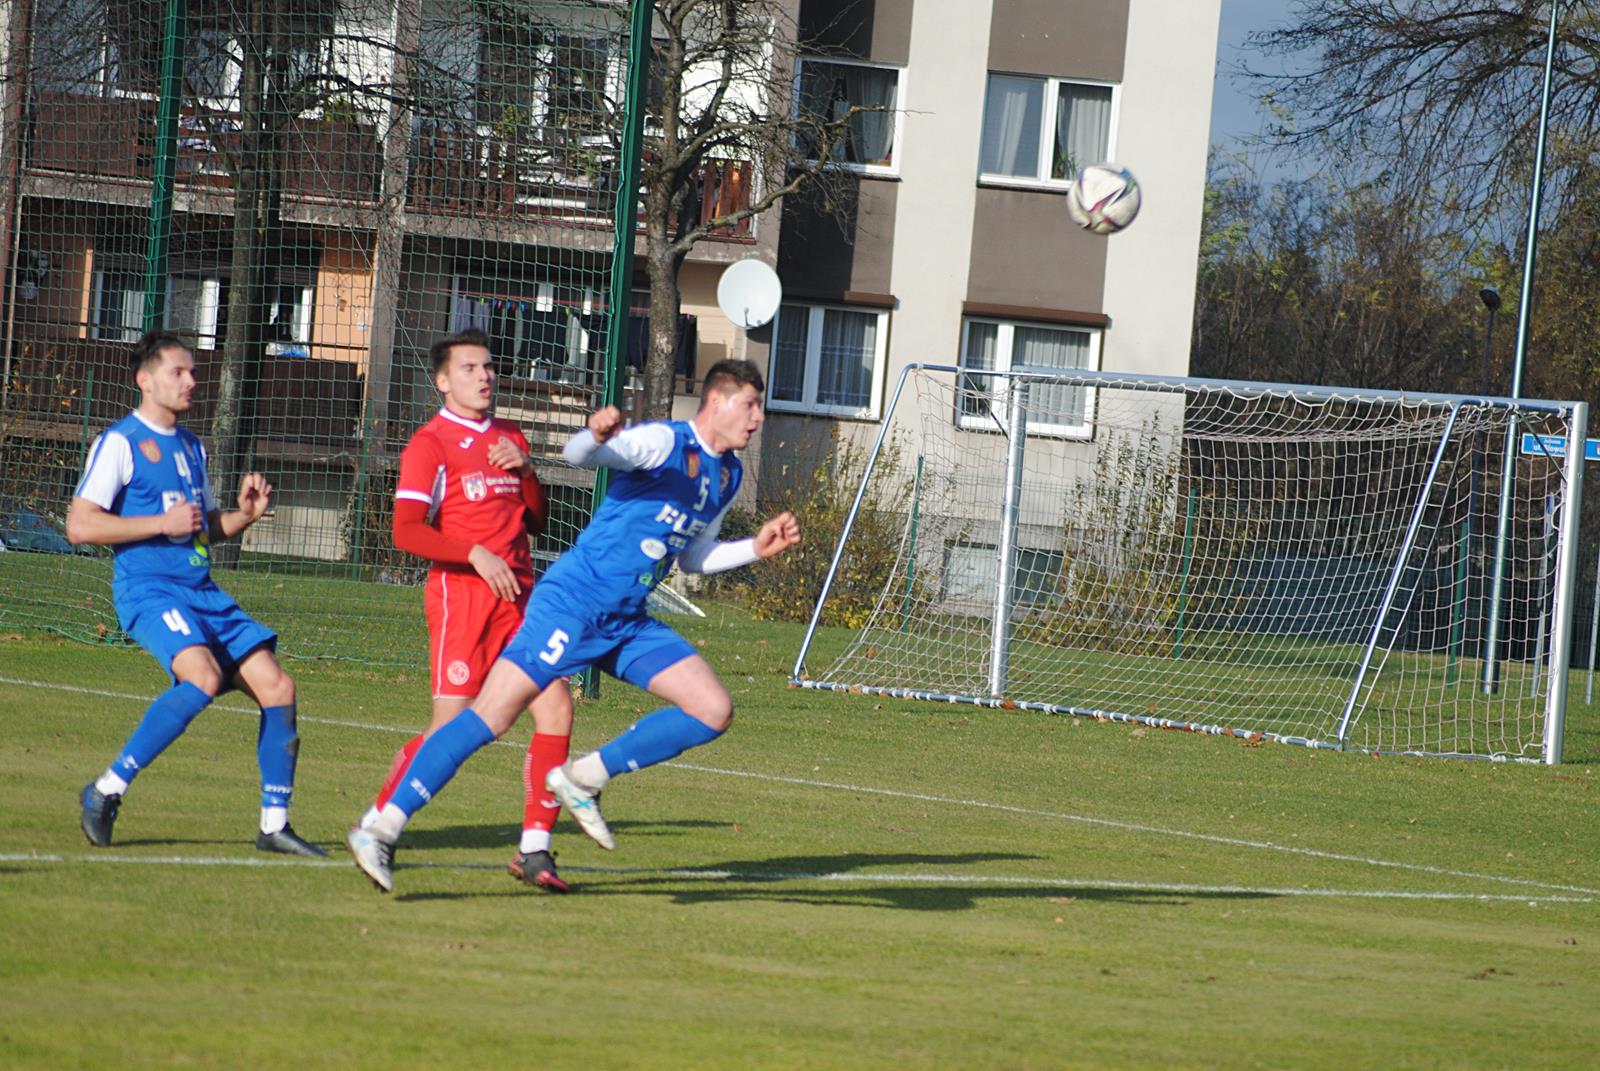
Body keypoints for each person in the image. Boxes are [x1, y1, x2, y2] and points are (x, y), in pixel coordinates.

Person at [347, 359, 800, 893]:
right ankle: (382, 828)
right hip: (573, 604)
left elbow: (695, 557)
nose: (758, 418)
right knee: (488, 719)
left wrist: (754, 548)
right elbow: (580, 456)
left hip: (624, 619)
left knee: (712, 708)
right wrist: (593, 434)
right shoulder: (662, 443)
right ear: (717, 402)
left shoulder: (728, 475)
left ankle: (585, 777)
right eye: (750, 405)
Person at [68, 331, 324, 856]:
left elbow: (203, 527)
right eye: (178, 372)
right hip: (149, 590)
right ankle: (105, 790)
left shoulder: (191, 446)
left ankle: (274, 825)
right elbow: (80, 526)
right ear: (145, 380)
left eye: (192, 372)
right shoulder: (119, 442)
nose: (191, 381)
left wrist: (245, 516)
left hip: (202, 590)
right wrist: (159, 521)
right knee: (202, 676)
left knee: (278, 687)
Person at [354, 328, 576, 892]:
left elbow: (536, 520)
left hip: (520, 600)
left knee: (556, 710)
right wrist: (473, 553)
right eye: (471, 368)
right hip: (463, 599)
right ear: (443, 380)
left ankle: (534, 850)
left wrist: (527, 471)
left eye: (489, 367)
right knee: (452, 726)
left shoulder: (508, 435)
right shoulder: (431, 443)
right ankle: (377, 824)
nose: (485, 376)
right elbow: (405, 532)